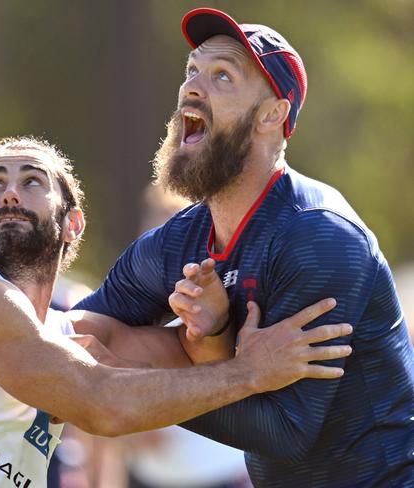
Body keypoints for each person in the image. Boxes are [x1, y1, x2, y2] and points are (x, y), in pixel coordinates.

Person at [0, 136, 351, 488]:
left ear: (73, 225)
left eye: (33, 181)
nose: (11, 190)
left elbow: (193, 360)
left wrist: (212, 322)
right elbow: (103, 404)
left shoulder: (74, 331)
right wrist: (251, 372)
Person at [73, 8, 414, 487]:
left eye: (222, 76)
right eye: (192, 70)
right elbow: (85, 330)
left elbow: (288, 431)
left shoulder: (319, 236)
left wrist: (128, 383)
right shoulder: (183, 237)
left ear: (273, 113)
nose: (193, 86)